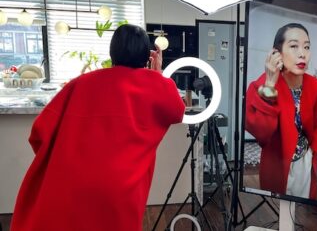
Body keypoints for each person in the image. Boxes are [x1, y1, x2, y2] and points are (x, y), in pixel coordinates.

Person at [11, 24, 186, 231]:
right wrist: (157, 73)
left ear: (113, 53)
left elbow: (39, 133)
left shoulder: (80, 84)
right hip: (122, 188)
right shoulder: (157, 86)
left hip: (71, 183)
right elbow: (177, 111)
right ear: (147, 56)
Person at [245, 23, 317, 200]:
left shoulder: (316, 87)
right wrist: (270, 84)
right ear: (276, 53)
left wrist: (312, 150)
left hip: (305, 162)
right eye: (294, 46)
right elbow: (262, 133)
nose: (302, 53)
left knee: (301, 209)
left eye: (307, 47)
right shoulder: (259, 86)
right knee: (277, 209)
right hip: (277, 164)